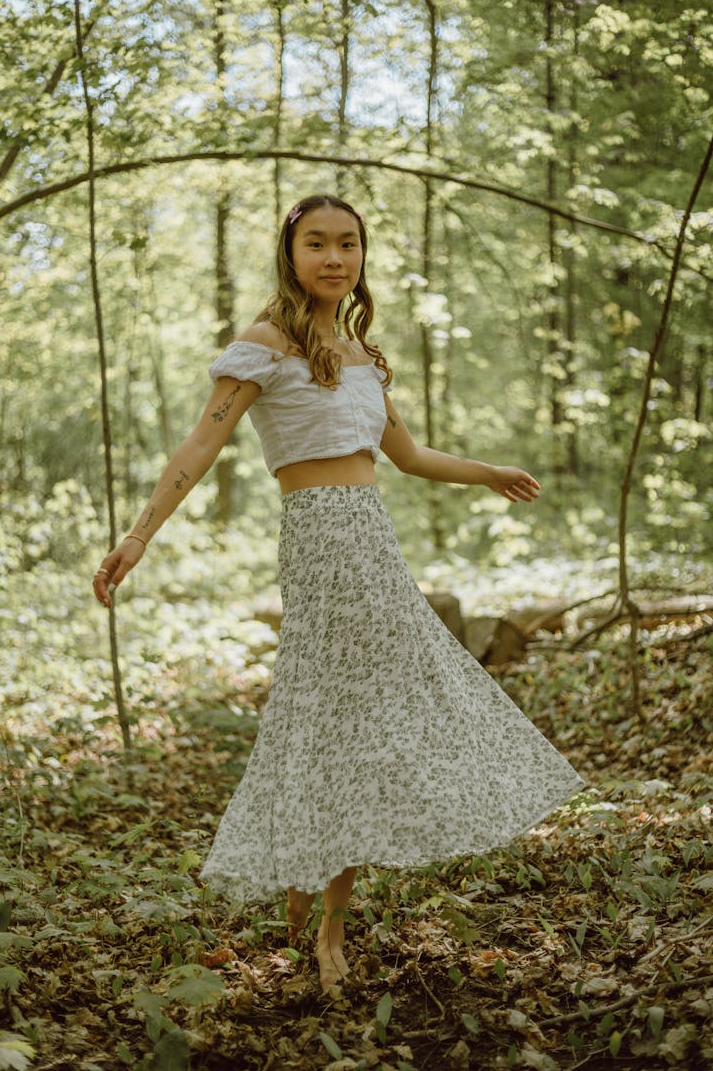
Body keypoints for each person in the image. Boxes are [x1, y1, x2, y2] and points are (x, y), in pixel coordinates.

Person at [92, 193, 584, 993]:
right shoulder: (264, 345)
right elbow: (203, 441)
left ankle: (327, 919)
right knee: (320, 721)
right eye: (316, 243)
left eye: (347, 244)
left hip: (374, 547)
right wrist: (140, 533)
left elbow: (410, 454)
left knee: (360, 728)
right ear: (290, 253)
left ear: (361, 256)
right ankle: (303, 877)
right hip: (318, 546)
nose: (333, 257)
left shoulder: (361, 353)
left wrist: (486, 470)